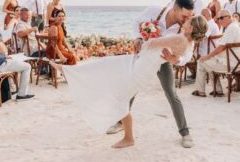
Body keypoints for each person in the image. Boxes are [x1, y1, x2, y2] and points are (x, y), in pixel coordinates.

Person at [51, 15, 208, 149]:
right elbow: (181, 56)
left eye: (189, 21)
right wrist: (171, 56)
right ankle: (69, 71)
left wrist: (148, 38)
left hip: (141, 67)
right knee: (112, 74)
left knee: (114, 81)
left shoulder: (179, 37)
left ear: (192, 28)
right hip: (144, 68)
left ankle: (129, 138)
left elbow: (151, 45)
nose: (186, 21)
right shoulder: (190, 42)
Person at [107, 0, 197, 148]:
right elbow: (136, 22)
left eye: (190, 16)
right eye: (184, 15)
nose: (187, 19)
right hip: (144, 56)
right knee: (132, 86)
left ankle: (185, 132)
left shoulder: (187, 26)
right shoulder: (155, 10)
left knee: (171, 93)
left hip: (164, 61)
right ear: (175, 9)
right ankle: (121, 122)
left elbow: (189, 50)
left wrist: (177, 61)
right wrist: (138, 38)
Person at [192, 9, 240, 97]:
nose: (219, 20)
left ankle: (200, 91)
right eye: (218, 18)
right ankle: (218, 90)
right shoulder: (235, 26)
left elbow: (221, 47)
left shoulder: (231, 28)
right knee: (209, 62)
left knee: (201, 62)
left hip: (230, 64)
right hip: (234, 61)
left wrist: (208, 56)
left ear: (229, 17)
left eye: (221, 18)